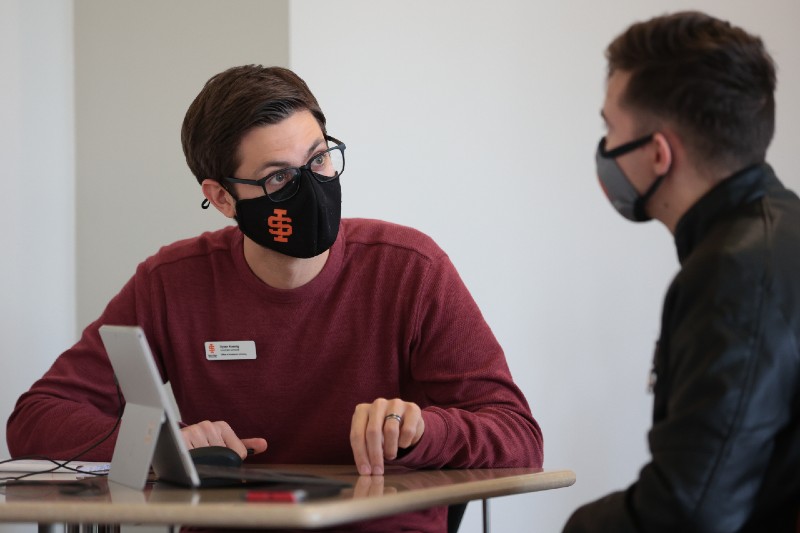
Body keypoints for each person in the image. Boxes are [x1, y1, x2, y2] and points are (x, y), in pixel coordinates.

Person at [7, 65, 543, 532]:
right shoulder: (172, 282)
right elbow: (36, 419)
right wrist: (162, 441)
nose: (310, 187)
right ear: (222, 198)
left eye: (319, 159)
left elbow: (518, 433)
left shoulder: (409, 268)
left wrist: (423, 430)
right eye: (279, 177)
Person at [564, 11, 800, 533]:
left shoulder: (736, 274)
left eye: (610, 128)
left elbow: (691, 512)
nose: (605, 149)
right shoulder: (779, 236)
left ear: (658, 153)